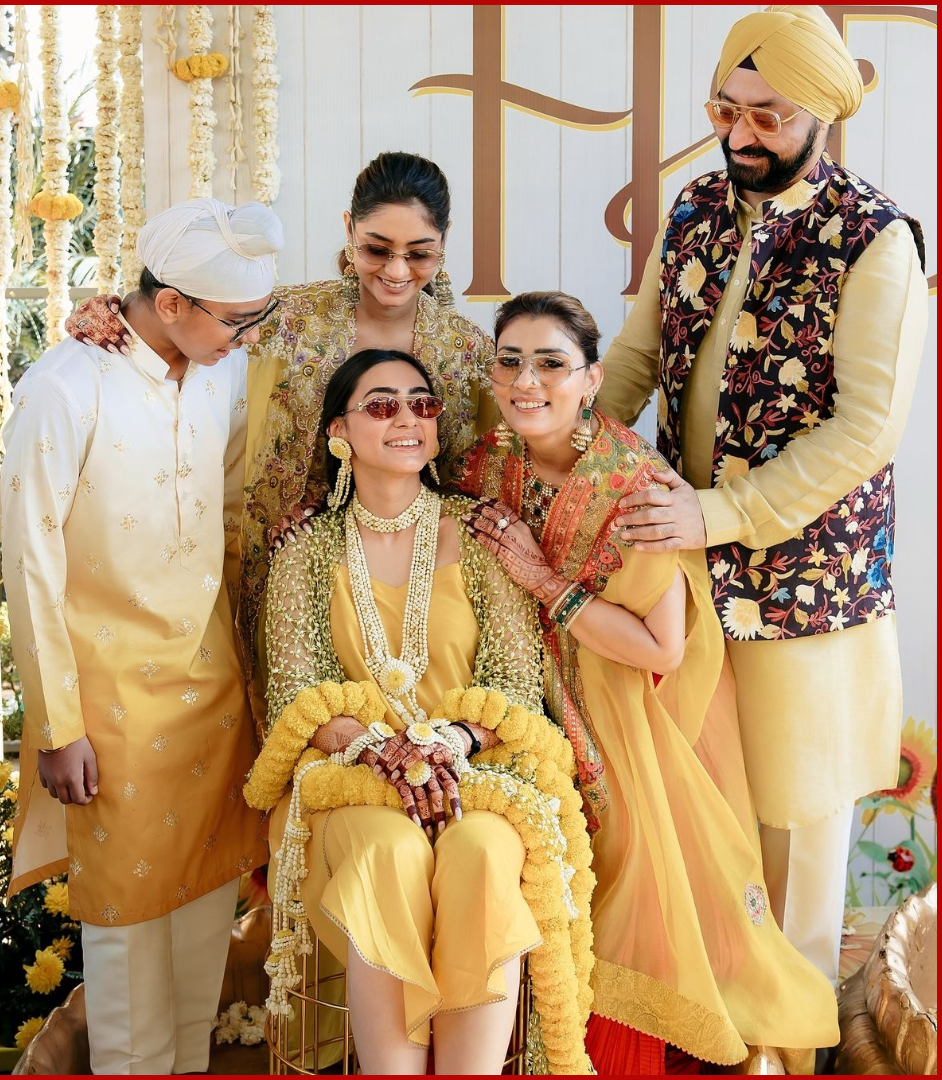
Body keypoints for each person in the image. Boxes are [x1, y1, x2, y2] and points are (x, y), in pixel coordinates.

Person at [593, 5, 928, 1002]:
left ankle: (788, 1049)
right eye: (724, 110)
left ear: (822, 114)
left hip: (806, 592)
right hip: (683, 580)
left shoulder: (876, 241)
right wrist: (565, 458)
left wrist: (718, 515)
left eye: (767, 116)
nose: (740, 135)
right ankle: (713, 1039)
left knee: (796, 840)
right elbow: (636, 359)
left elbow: (866, 432)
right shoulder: (696, 205)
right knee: (704, 824)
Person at [456, 292, 837, 1072]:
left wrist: (539, 577)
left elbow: (659, 648)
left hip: (628, 707)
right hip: (516, 693)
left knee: (632, 881)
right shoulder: (484, 461)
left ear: (591, 380)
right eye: (510, 362)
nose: (526, 381)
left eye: (551, 364)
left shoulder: (635, 485)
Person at [245, 348, 594, 1075]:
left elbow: (514, 681)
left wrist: (449, 742)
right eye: (381, 405)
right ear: (339, 430)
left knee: (483, 852)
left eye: (422, 404)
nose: (406, 418)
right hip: (350, 776)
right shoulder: (305, 549)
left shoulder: (483, 535)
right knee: (389, 851)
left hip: (477, 770)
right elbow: (294, 695)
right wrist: (379, 749)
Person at [62, 153, 498, 722]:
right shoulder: (285, 318)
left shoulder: (467, 352)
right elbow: (187, 317)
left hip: (411, 584)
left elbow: (484, 471)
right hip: (278, 563)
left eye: (419, 254)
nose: (397, 270)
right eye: (377, 249)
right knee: (291, 730)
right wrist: (115, 314)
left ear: (444, 243)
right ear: (349, 229)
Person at [3, 199, 279, 1074]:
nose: (249, 338)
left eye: (257, 319)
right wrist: (58, 727)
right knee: (124, 932)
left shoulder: (222, 371)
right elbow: (31, 561)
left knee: (201, 920)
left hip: (212, 693)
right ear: (169, 304)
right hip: (108, 706)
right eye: (237, 321)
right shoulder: (64, 385)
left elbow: (232, 514)